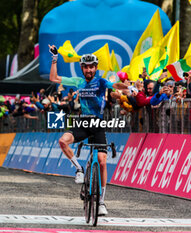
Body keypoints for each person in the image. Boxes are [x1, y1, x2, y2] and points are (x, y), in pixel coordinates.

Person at [48, 44, 126, 216]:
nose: (89, 69)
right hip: (82, 123)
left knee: (102, 161)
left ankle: (102, 202)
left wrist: (129, 89)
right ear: (82, 68)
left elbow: (116, 86)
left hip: (98, 124)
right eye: (86, 67)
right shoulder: (78, 81)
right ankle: (79, 170)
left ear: (96, 68)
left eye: (92, 67)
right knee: (63, 141)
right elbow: (53, 78)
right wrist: (55, 58)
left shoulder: (101, 81)